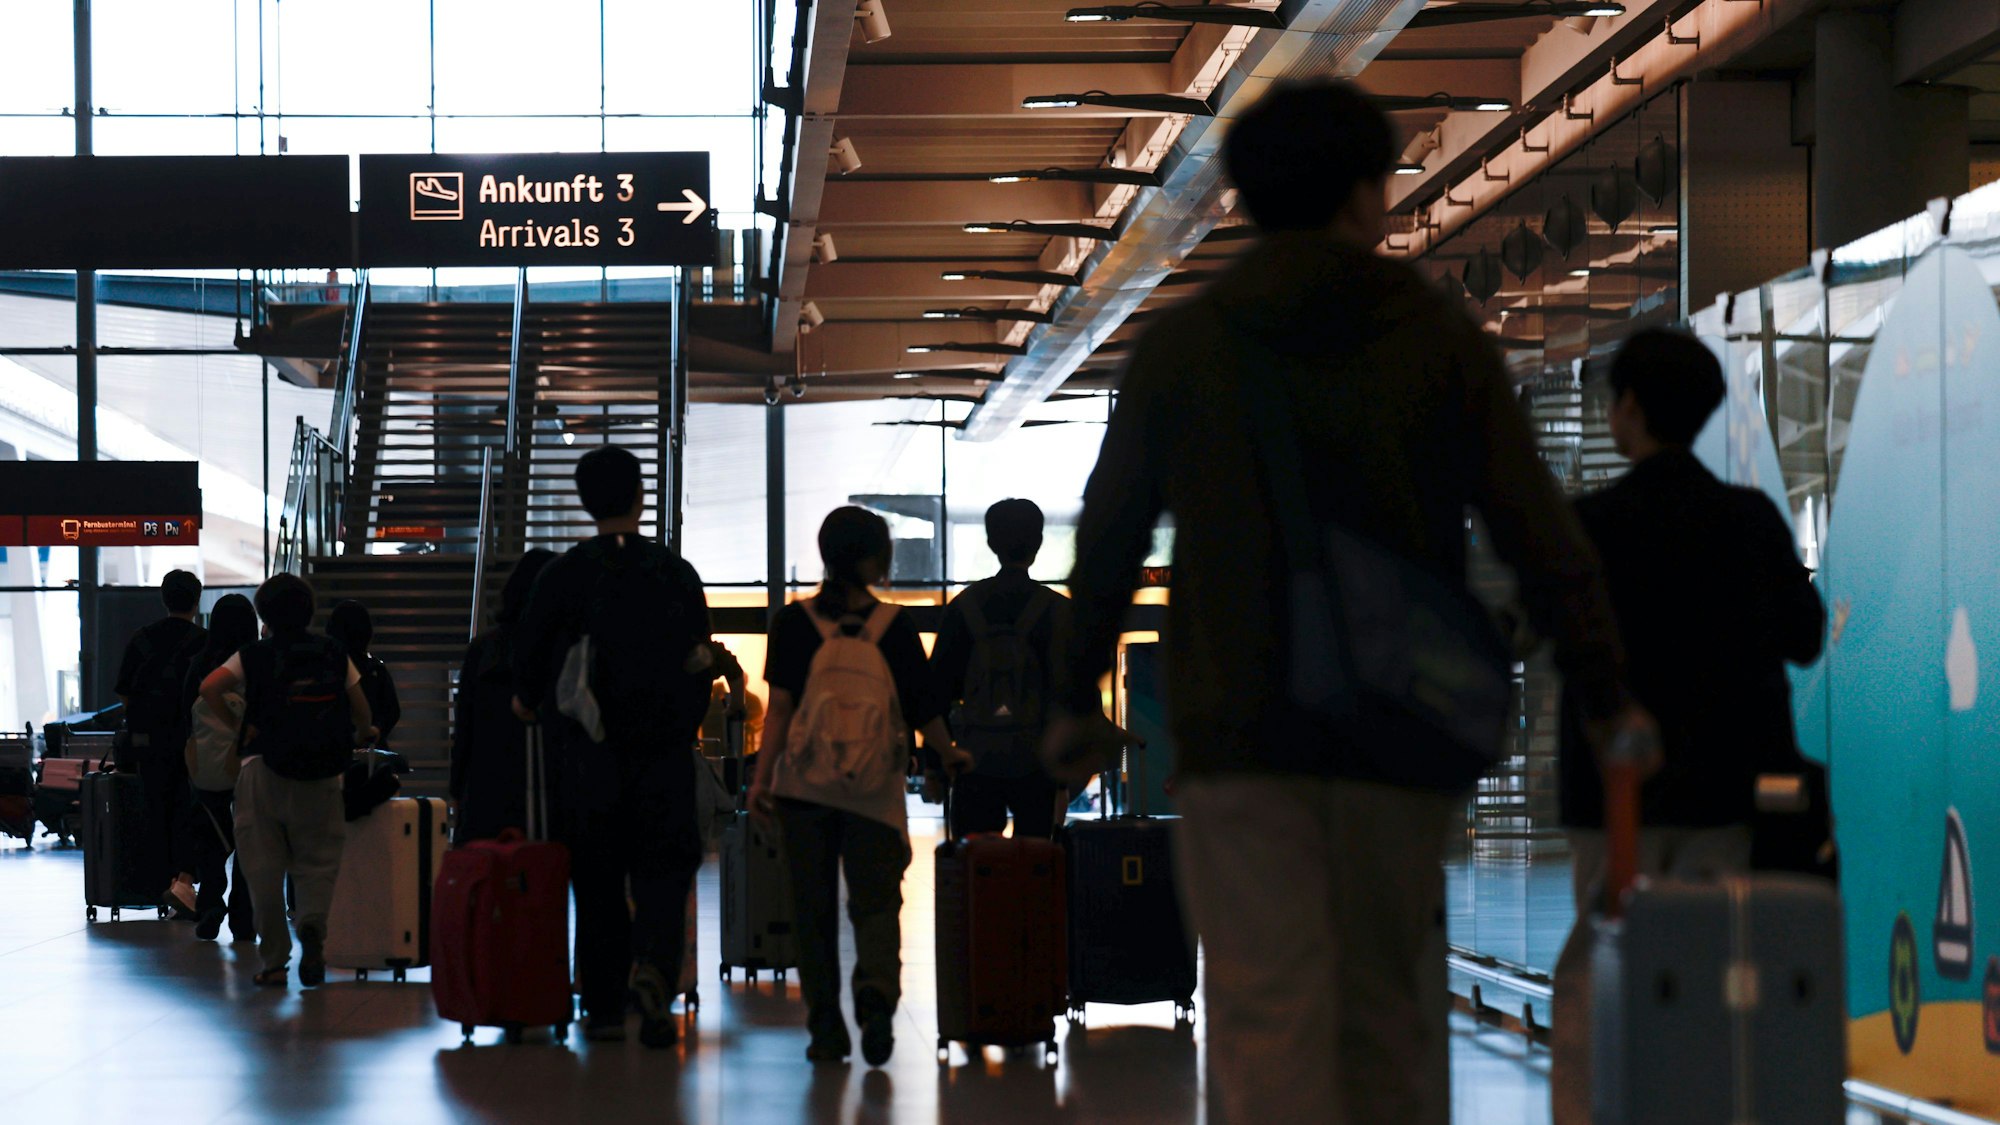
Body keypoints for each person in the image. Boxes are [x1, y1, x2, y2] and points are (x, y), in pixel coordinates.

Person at [1045, 80, 1641, 1124]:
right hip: (1394, 726)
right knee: (1388, 1009)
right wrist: (1603, 691)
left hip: (1239, 735)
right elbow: (1532, 529)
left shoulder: (1186, 348)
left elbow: (1110, 538)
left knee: (1265, 1011)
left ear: (1243, 197)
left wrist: (1067, 698)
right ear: (1366, 197)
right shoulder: (1433, 338)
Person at [1547, 330, 1826, 1124]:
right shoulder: (1748, 520)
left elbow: (1545, 635)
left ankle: (1591, 1110)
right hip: (1723, 796)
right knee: (1711, 972)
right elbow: (1804, 636)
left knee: (1602, 967)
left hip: (1614, 798)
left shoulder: (1588, 524)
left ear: (1628, 406)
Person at [747, 507, 970, 1067]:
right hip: (873, 790)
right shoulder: (894, 627)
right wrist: (949, 752)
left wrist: (762, 778)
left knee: (811, 911)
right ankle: (876, 999)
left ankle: (826, 1031)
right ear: (874, 559)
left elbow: (781, 712)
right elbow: (923, 707)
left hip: (804, 788)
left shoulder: (792, 623)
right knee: (876, 905)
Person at [510, 447, 713, 1049]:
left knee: (597, 882)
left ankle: (601, 1006)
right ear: (640, 495)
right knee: (663, 874)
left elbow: (530, 671)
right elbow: (700, 662)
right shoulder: (674, 572)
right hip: (665, 758)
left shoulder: (562, 576)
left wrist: (534, 705)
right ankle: (653, 972)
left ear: (583, 500)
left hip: (587, 763)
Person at [199, 573, 376, 988]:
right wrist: (363, 734)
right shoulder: (333, 653)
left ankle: (275, 961)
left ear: (265, 613)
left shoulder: (253, 654)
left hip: (262, 769)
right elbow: (363, 713)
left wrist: (239, 723)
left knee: (262, 869)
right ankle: (312, 927)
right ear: (309, 610)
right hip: (322, 771)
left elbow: (211, 687)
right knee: (317, 863)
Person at [929, 498, 1073, 839]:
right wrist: (1065, 775)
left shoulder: (963, 608)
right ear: (1038, 542)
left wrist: (936, 766)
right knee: (1037, 864)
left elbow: (936, 692)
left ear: (991, 543)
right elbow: (1071, 693)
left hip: (974, 759)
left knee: (978, 867)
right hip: (1039, 761)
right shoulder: (1058, 611)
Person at [115, 568, 207, 918]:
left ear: (163, 598)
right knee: (190, 809)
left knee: (156, 810)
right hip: (192, 741)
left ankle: (163, 884)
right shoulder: (203, 641)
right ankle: (183, 883)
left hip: (149, 742)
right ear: (196, 601)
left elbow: (125, 693)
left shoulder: (142, 639)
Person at [449, 548, 556, 842]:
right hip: (544, 789)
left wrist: (456, 790)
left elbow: (464, 729)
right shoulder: (559, 652)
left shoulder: (483, 649)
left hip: (485, 788)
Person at [180, 593, 258, 943]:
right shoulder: (254, 663)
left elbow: (183, 716)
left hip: (205, 765)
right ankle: (244, 917)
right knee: (248, 839)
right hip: (247, 764)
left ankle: (210, 904)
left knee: (210, 836)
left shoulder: (198, 664)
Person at [327, 600, 401, 752]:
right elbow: (392, 710)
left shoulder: (329, 666)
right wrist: (377, 730)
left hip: (333, 750)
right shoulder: (375, 668)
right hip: (372, 749)